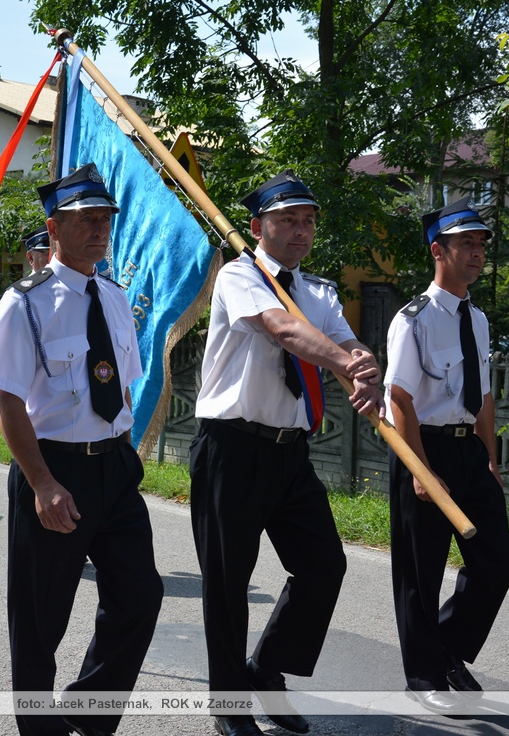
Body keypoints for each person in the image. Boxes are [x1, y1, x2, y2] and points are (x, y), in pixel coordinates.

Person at [0, 163, 163, 736]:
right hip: (52, 469)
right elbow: (7, 399)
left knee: (139, 596)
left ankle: (90, 710)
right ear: (54, 228)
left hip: (113, 468)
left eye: (105, 219)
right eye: (85, 220)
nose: (99, 229)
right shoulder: (26, 303)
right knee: (40, 618)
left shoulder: (115, 297)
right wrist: (42, 483)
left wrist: (124, 454)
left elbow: (121, 386)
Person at [189, 170, 383, 736]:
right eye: (288, 220)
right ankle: (229, 705)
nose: (301, 230)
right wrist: (346, 364)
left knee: (323, 566)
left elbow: (343, 339)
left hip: (290, 453)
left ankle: (266, 667)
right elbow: (285, 332)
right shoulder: (239, 277)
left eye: (308, 221)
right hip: (231, 448)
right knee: (228, 583)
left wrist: (364, 361)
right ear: (257, 227)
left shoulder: (317, 290)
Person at [384, 198, 509, 713]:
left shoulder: (477, 319)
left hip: (469, 453)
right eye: (466, 243)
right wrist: (420, 468)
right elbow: (400, 398)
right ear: (438, 251)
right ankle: (423, 677)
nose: (477, 252)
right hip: (425, 449)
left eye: (481, 243)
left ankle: (447, 647)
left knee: (497, 558)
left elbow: (483, 396)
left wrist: (491, 459)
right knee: (420, 571)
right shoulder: (413, 320)